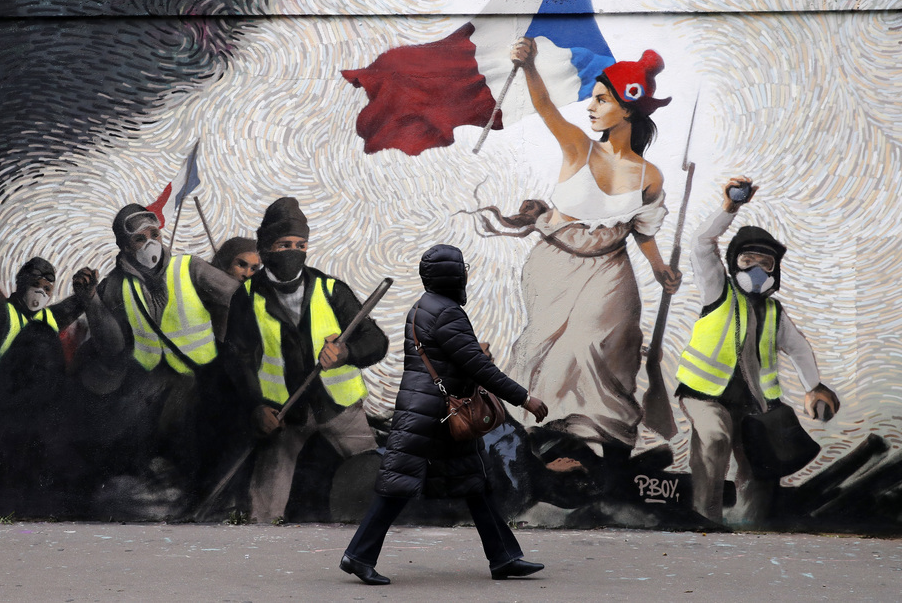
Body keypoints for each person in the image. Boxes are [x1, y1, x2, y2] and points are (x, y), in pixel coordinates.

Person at [491, 41, 681, 462]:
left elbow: (641, 230)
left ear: (628, 109)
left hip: (611, 268)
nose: (591, 107)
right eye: (593, 98)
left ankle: (603, 443)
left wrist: (659, 267)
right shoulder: (578, 145)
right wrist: (529, 66)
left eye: (601, 99)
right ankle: (546, 436)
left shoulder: (650, 174)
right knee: (548, 349)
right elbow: (545, 108)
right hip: (556, 264)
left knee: (598, 346)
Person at [341, 244, 549, 585]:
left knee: (475, 484)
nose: (466, 273)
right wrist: (524, 398)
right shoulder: (447, 313)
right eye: (462, 269)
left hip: (431, 410)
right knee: (397, 486)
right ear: (454, 275)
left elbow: (451, 359)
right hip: (434, 415)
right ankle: (358, 556)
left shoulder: (420, 308)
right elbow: (477, 366)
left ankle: (504, 558)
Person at [675, 176, 840, 525]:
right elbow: (702, 243)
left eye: (765, 263)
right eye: (748, 259)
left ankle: (752, 522)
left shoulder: (775, 313)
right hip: (704, 394)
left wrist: (814, 387)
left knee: (760, 464)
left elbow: (797, 349)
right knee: (715, 438)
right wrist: (730, 207)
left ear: (774, 271)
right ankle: (705, 518)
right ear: (735, 263)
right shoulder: (717, 292)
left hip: (755, 403)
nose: (756, 268)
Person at [224, 196, 389, 522]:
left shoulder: (331, 290)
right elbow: (237, 358)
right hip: (285, 414)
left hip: (340, 409)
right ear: (265, 247)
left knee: (374, 477)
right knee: (264, 509)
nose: (293, 252)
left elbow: (376, 341)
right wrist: (257, 407)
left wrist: (346, 353)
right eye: (284, 244)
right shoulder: (246, 297)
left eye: (301, 245)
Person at [85, 204, 241, 493]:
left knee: (201, 434)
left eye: (153, 234)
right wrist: (92, 300)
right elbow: (111, 346)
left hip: (203, 373)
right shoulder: (115, 284)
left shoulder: (190, 268)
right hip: (151, 378)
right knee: (129, 431)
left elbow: (240, 300)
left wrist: (231, 340)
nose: (149, 243)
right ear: (124, 246)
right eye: (139, 239)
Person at [0, 217, 96, 390]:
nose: (40, 292)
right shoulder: (5, 312)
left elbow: (79, 302)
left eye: (47, 288)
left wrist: (87, 289)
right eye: (35, 284)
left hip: (38, 396)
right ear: (21, 282)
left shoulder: (50, 317)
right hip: (1, 391)